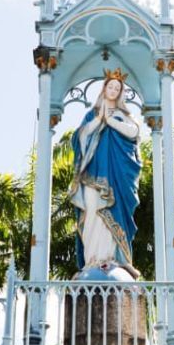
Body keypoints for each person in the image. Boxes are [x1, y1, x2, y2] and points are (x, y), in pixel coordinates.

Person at [69, 68, 142, 281]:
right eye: (110, 86)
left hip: (117, 177)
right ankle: (92, 258)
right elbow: (80, 138)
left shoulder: (123, 115)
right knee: (92, 211)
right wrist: (99, 120)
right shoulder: (92, 114)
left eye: (117, 88)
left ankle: (114, 258)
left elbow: (134, 132)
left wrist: (111, 122)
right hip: (93, 175)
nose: (113, 90)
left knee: (115, 210)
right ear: (104, 88)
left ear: (120, 93)